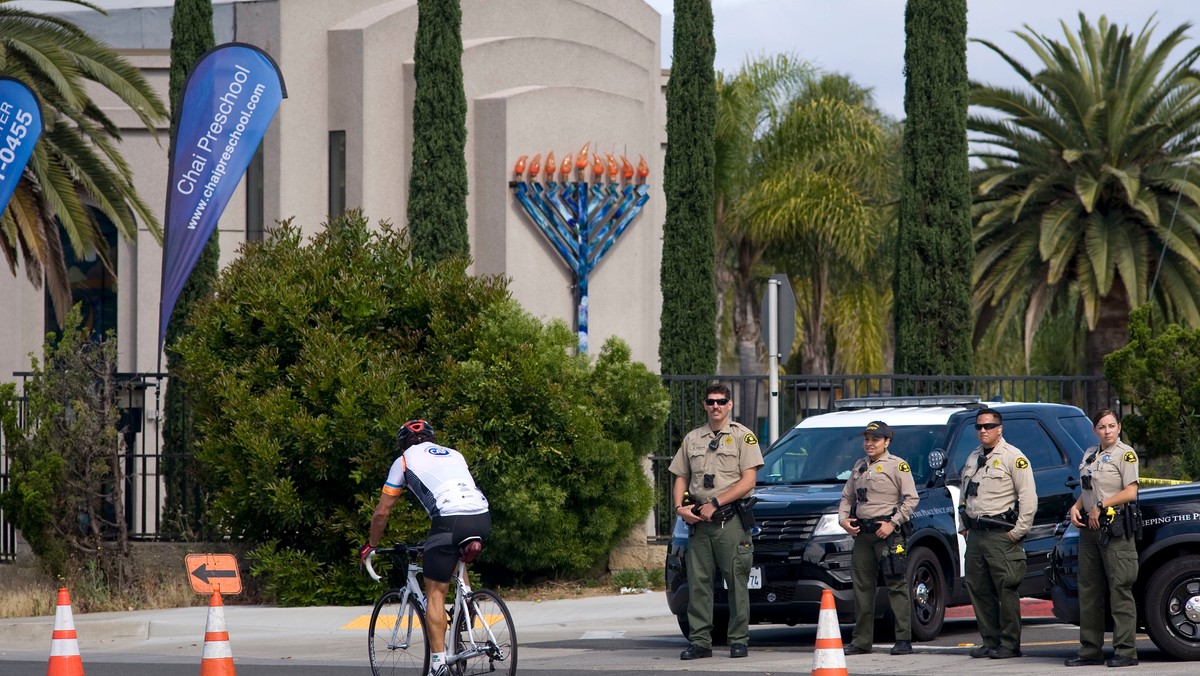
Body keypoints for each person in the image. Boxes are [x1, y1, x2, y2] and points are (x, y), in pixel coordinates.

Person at [360, 420, 491, 676]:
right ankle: (467, 602)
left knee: (435, 593)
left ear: (403, 444)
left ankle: (438, 663)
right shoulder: (455, 454)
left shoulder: (403, 461)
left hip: (448, 520)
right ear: (431, 438)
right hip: (482, 516)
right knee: (452, 554)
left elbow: (382, 511)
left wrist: (371, 545)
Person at [669, 384, 764, 661]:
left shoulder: (742, 437)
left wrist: (716, 503)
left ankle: (738, 640)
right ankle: (700, 642)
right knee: (698, 584)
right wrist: (679, 508)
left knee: (736, 581)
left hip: (730, 521)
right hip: (698, 523)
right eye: (711, 402)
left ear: (730, 404)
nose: (716, 406)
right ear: (704, 405)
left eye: (721, 401)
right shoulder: (693, 438)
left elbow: (749, 481)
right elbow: (681, 477)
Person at [957, 407, 1037, 659]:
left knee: (1006, 589)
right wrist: (964, 525)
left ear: (999, 429)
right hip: (977, 535)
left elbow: (1028, 498)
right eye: (979, 426)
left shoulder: (1014, 457)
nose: (983, 430)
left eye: (988, 426)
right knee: (978, 588)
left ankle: (1010, 643)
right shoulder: (973, 457)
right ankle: (989, 640)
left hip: (1002, 535)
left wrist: (1018, 532)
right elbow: (964, 494)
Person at [1064, 409, 1140, 668]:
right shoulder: (1089, 454)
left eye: (1111, 426)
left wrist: (1100, 505)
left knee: (1120, 588)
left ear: (1119, 427)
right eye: (1101, 427)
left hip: (1114, 527)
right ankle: (1090, 650)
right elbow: (1087, 488)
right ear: (1095, 430)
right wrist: (1076, 507)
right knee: (1089, 590)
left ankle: (1126, 651)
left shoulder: (1125, 454)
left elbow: (1130, 492)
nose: (1106, 431)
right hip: (1090, 529)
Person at [838, 420, 920, 656]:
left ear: (887, 441)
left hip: (888, 534)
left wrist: (892, 523)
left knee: (896, 584)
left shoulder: (897, 466)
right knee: (862, 588)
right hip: (863, 535)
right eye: (867, 439)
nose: (869, 444)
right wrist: (843, 519)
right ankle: (862, 641)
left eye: (875, 440)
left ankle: (903, 638)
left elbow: (911, 499)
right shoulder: (859, 466)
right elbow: (847, 497)